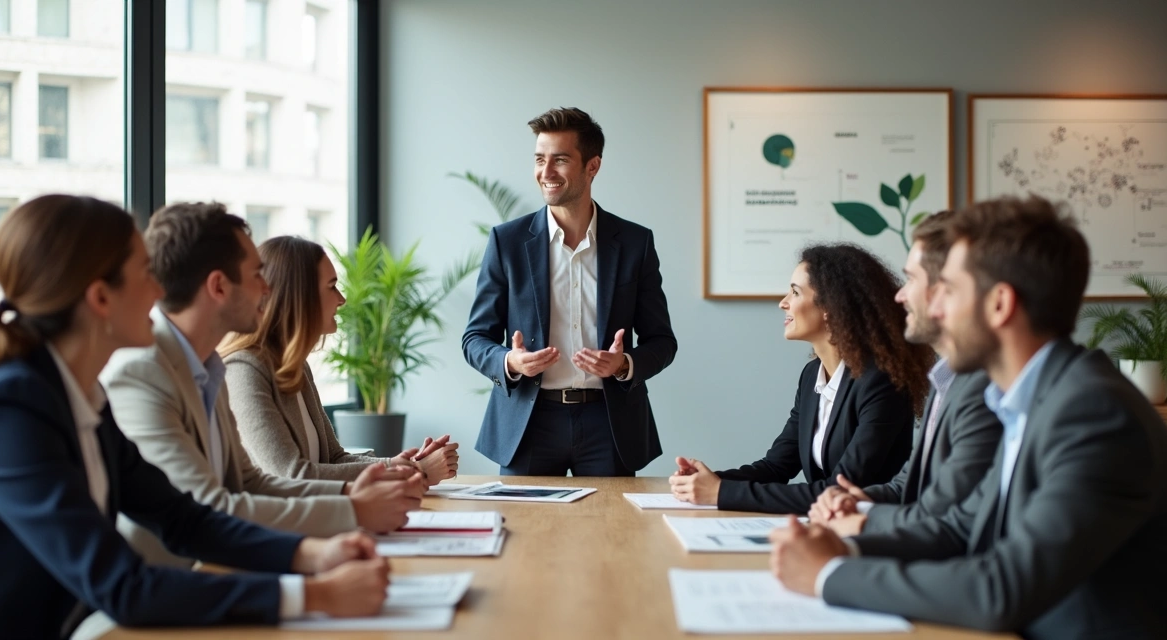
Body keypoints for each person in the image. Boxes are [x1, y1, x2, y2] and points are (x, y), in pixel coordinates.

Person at [0, 195, 390, 639]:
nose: (161, 291)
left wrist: (312, 557)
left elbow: (184, 519)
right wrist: (313, 597)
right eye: (146, 273)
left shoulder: (81, 393)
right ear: (101, 297)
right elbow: (122, 584)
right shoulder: (9, 409)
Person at [771, 196, 1167, 639]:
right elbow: (962, 528)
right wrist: (844, 546)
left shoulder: (1092, 414)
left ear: (999, 305)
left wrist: (828, 576)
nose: (932, 309)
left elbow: (1001, 589)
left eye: (949, 292)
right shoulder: (1032, 399)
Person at [102, 202, 423, 568]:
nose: (267, 288)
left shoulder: (208, 365)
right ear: (219, 286)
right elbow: (212, 505)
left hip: (221, 568)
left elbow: (250, 482)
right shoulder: (144, 373)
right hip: (171, 587)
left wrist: (352, 493)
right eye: (257, 274)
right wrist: (353, 509)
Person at [462, 107, 677, 476]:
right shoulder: (507, 242)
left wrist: (624, 365)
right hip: (528, 421)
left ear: (592, 166)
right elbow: (475, 338)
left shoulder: (635, 243)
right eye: (539, 160)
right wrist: (510, 362)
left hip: (608, 424)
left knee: (612, 533)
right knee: (524, 532)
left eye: (559, 160)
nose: (545, 173)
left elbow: (662, 341)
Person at [670, 244, 933, 514]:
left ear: (831, 306)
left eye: (795, 292)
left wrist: (720, 493)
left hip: (868, 530)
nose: (783, 302)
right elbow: (777, 467)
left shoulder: (880, 381)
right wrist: (709, 480)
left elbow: (839, 489)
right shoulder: (811, 376)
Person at [808, 211, 1002, 536]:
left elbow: (946, 516)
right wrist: (861, 500)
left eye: (911, 279)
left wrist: (861, 524)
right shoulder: (948, 380)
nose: (899, 296)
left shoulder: (985, 389)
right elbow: (912, 482)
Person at [219, 236, 459, 484]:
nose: (341, 299)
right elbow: (291, 475)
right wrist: (409, 471)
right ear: (301, 295)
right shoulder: (244, 371)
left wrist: (406, 464)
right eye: (332, 286)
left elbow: (333, 458)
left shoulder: (297, 367)